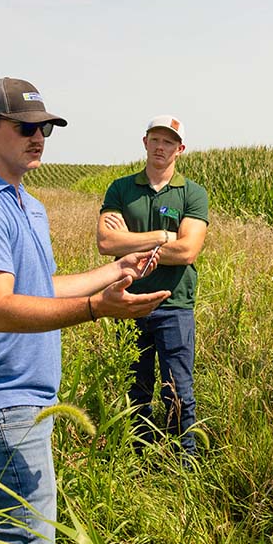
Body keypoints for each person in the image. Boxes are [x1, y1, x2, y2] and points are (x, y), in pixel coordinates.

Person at [0, 77, 169, 544]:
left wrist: (115, 270)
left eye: (45, 128)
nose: (38, 136)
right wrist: (95, 310)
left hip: (23, 401)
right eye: (26, 127)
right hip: (1, 403)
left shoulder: (24, 202)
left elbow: (37, 287)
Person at [97, 116, 209, 456]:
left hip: (174, 304)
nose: (161, 147)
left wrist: (127, 241)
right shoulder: (121, 188)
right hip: (127, 299)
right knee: (136, 387)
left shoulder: (192, 193)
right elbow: (105, 241)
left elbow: (188, 251)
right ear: (145, 142)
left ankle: (183, 459)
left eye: (169, 142)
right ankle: (140, 455)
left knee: (177, 388)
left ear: (180, 149)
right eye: (156, 139)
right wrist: (163, 237)